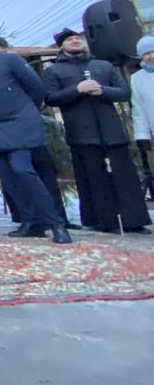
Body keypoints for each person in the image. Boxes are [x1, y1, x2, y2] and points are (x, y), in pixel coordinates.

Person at [0, 30, 72, 244]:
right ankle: (30, 221)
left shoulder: (9, 60)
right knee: (9, 178)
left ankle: (55, 223)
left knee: (23, 170)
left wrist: (27, 110)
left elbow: (35, 87)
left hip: (18, 123)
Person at [42, 28, 150, 233]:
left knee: (125, 179)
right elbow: (50, 98)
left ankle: (134, 221)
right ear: (61, 46)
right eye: (70, 39)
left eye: (78, 38)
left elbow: (123, 92)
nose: (75, 41)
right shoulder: (53, 71)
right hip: (82, 134)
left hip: (112, 131)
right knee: (95, 180)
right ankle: (104, 222)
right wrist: (77, 90)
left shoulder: (103, 65)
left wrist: (102, 90)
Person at [0, 35, 72, 224]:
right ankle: (25, 219)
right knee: (14, 175)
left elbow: (36, 89)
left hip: (29, 127)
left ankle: (57, 219)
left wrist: (28, 111)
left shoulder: (17, 68)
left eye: (1, 53)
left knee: (44, 172)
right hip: (4, 132)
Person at [130, 36, 154, 201]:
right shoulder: (137, 78)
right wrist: (142, 135)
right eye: (146, 53)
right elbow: (138, 109)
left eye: (153, 51)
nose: (151, 56)